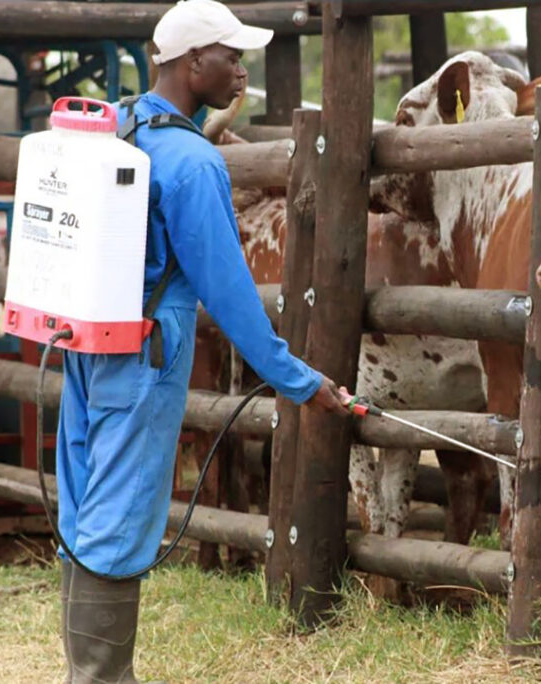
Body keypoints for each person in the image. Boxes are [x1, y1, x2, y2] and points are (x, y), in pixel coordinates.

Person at [55, 0, 348, 681]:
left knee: (86, 506)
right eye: (231, 57)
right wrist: (297, 378)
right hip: (149, 349)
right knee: (120, 517)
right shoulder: (194, 164)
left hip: (85, 340)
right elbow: (230, 294)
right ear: (193, 63)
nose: (242, 73)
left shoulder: (118, 125)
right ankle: (101, 677)